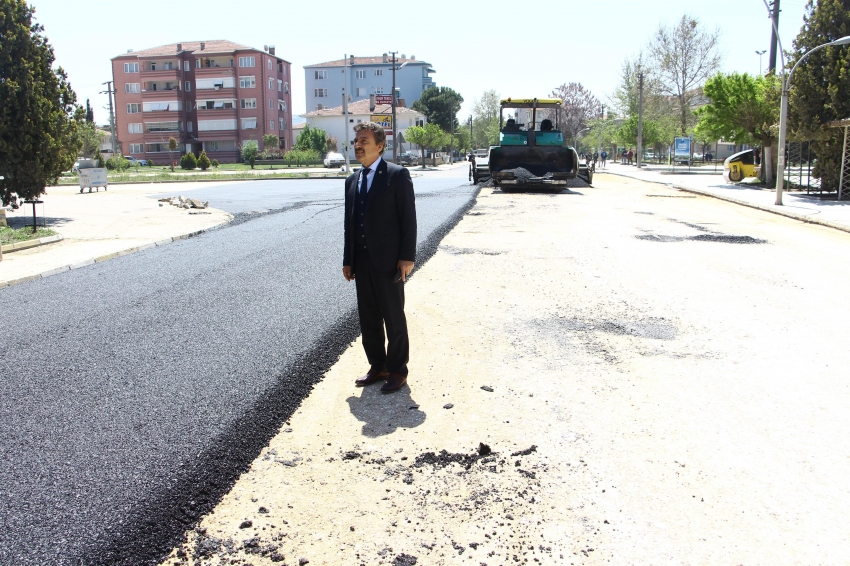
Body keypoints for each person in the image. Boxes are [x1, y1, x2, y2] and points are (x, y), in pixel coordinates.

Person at [343, 122, 417, 394]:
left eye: (363, 140)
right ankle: (378, 366)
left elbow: (408, 219)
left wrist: (407, 257)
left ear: (379, 145)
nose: (358, 145)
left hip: (389, 261)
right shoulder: (352, 180)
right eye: (356, 141)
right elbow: (349, 223)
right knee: (368, 318)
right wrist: (347, 258)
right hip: (362, 263)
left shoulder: (397, 175)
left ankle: (398, 370)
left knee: (393, 316)